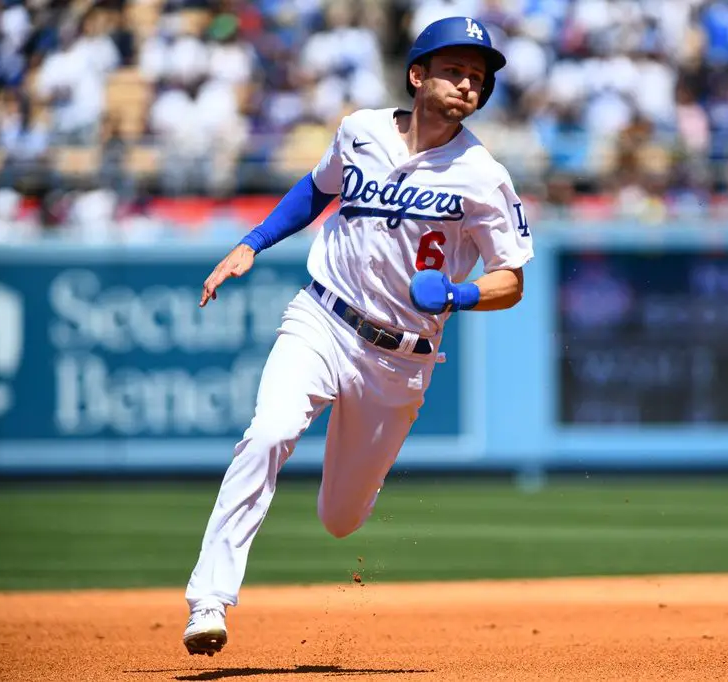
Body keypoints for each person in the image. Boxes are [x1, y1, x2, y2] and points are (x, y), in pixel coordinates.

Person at [182, 16, 533, 656]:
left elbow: (511, 280)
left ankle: (350, 492)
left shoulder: (483, 174)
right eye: (455, 70)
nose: (467, 85)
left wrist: (460, 295)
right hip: (321, 316)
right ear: (417, 74)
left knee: (340, 520)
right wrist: (251, 243)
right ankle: (209, 599)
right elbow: (316, 190)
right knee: (269, 431)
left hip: (398, 360)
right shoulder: (360, 130)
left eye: (478, 78)